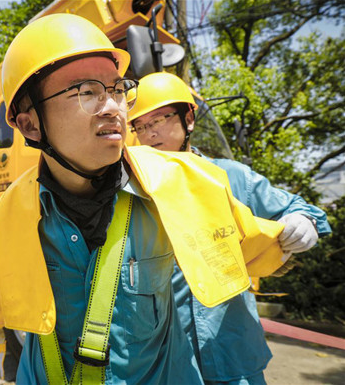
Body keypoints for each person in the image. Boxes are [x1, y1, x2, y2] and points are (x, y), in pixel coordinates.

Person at [0, 14, 292, 384]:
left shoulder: (177, 182)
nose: (113, 107)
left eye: (117, 89)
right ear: (30, 125)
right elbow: (5, 277)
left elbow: (244, 238)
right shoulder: (14, 210)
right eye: (86, 91)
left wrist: (287, 233)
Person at [128, 72, 331, 385]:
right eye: (140, 126)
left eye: (159, 120)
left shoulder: (231, 177)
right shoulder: (136, 191)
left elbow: (297, 208)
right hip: (169, 357)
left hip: (232, 349)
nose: (149, 133)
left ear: (189, 119)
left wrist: (303, 221)